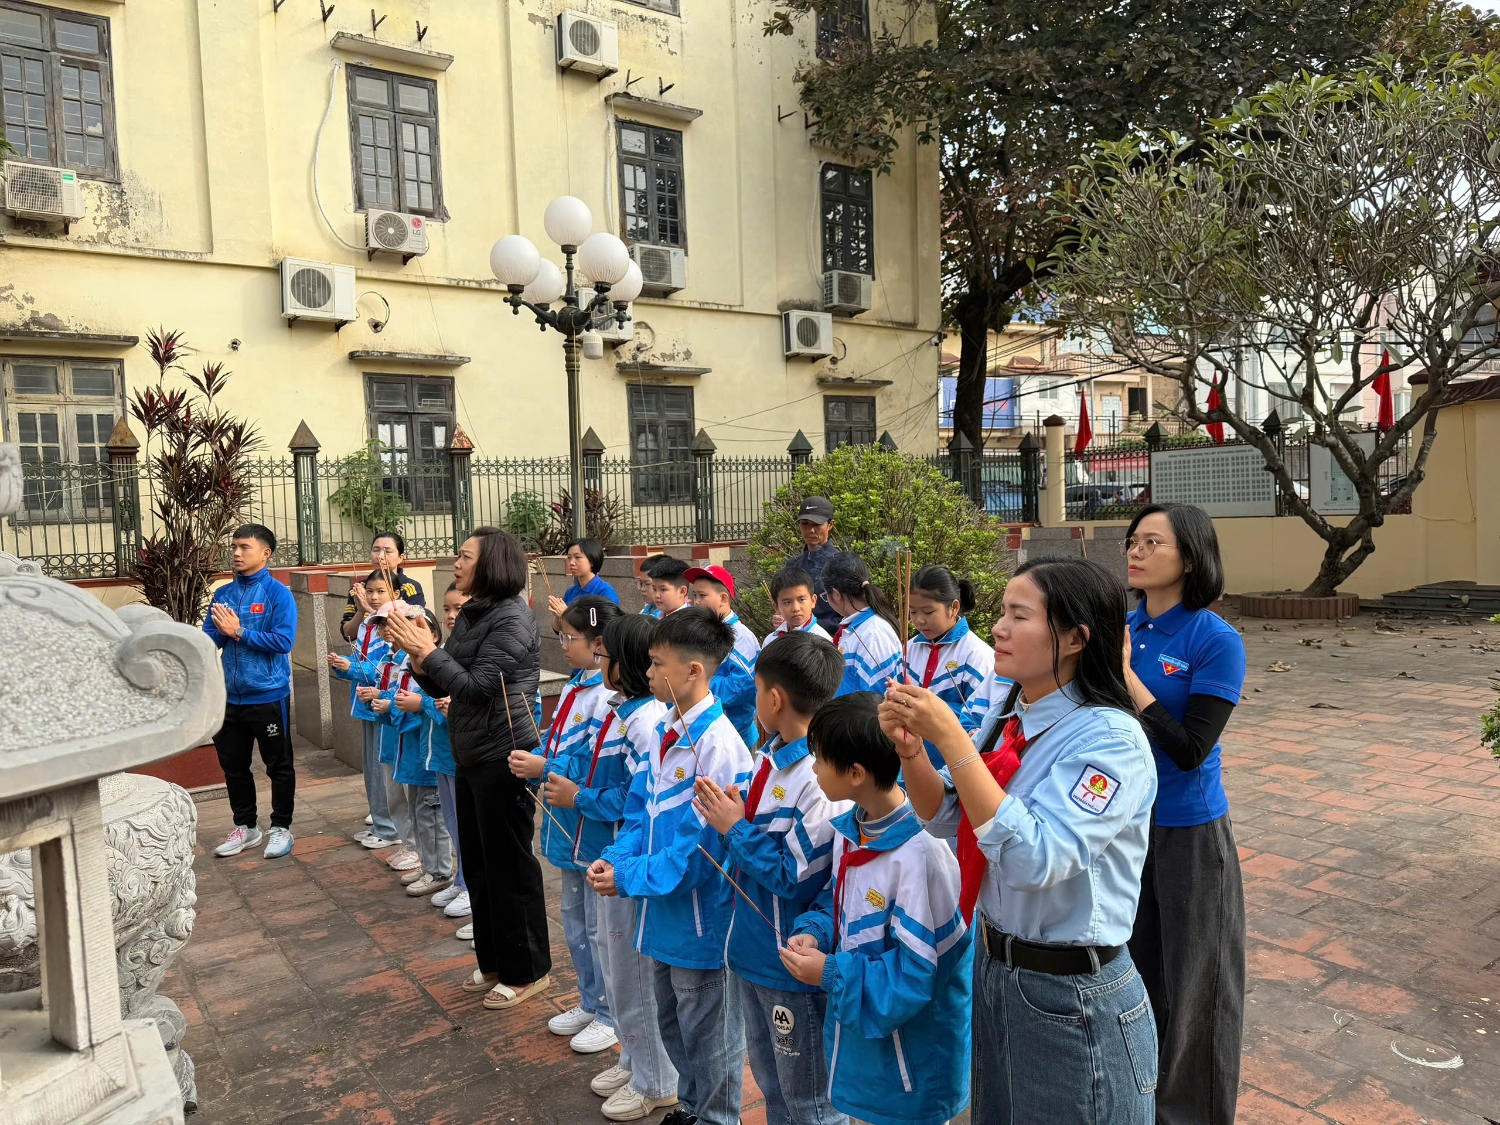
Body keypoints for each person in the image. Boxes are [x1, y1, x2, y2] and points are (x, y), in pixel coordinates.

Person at [885, 558, 1159, 1125]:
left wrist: (953, 739)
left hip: (1072, 993)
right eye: (1002, 613)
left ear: (1075, 638)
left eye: (1019, 615)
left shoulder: (1111, 739)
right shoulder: (1013, 715)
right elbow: (949, 816)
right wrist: (913, 754)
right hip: (998, 971)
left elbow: (1037, 859)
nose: (999, 629)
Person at [589, 608, 754, 1125]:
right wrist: (615, 858)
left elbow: (697, 852)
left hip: (700, 925)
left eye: (657, 663)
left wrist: (628, 877)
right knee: (674, 1024)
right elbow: (640, 811)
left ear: (693, 671)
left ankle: (716, 1117)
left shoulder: (717, 747)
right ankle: (690, 1108)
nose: (649, 672)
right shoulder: (667, 727)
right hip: (662, 915)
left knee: (709, 1037)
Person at [780, 693, 973, 1125]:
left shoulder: (921, 855)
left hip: (911, 1068)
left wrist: (831, 972)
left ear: (855, 774)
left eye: (819, 759)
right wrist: (816, 931)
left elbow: (918, 972)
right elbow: (840, 902)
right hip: (872, 1058)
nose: (813, 769)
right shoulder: (855, 829)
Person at [385, 527, 552, 1011]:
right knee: (478, 865)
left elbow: (477, 687)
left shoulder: (512, 618)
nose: (455, 563)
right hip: (471, 751)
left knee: (509, 865)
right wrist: (419, 657)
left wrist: (428, 652)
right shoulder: (476, 612)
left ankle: (527, 971)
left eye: (464, 556)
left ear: (492, 564)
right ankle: (495, 961)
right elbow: (447, 678)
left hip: (504, 753)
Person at [1120, 504, 1246, 1125]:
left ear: (1191, 558)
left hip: (1189, 832)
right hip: (1124, 826)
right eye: (1133, 540)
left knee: (1200, 990)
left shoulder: (1213, 640)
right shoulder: (1124, 626)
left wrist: (1125, 677)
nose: (1136, 551)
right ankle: (1142, 1103)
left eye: (1153, 542)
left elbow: (1191, 748)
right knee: (1139, 976)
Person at [693, 632, 850, 1125]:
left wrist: (734, 828)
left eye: (757, 688)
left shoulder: (819, 776)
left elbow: (796, 877)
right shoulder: (770, 756)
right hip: (753, 952)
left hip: (790, 965)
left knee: (810, 1101)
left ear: (774, 699)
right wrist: (734, 817)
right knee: (773, 1086)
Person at [511, 594, 623, 1055]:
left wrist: (547, 767)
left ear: (599, 644)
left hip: (593, 830)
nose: (563, 646)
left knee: (601, 931)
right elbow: (561, 744)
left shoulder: (610, 700)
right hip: (567, 825)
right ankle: (590, 999)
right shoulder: (577, 687)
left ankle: (611, 1013)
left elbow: (596, 767)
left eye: (569, 637)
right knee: (575, 924)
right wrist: (539, 761)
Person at [589, 614, 681, 1121]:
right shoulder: (631, 713)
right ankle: (634, 1058)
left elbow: (640, 804)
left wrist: (580, 797)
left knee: (637, 976)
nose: (649, 672)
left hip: (637, 865)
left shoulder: (648, 721)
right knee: (617, 968)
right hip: (622, 855)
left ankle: (655, 1079)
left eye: (603, 655)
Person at [204, 524, 299, 860]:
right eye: (234, 546)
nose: (236, 553)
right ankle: (246, 827)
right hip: (230, 698)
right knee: (234, 766)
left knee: (278, 765)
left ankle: (281, 827)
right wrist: (220, 632)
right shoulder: (223, 594)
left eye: (245, 547)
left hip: (268, 696)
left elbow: (283, 641)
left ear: (265, 553)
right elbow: (209, 640)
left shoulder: (278, 595)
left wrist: (239, 631)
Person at [374, 602, 455, 899]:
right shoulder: (406, 668)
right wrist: (386, 704)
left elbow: (438, 709)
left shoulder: (439, 668)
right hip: (412, 757)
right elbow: (403, 704)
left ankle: (440, 871)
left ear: (432, 634)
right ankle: (427, 865)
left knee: (433, 818)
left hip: (429, 759)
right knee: (419, 814)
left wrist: (407, 706)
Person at [329, 570, 401, 851]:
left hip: (383, 706)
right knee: (371, 770)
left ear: (396, 594)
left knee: (383, 770)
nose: (374, 597)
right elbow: (362, 660)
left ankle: (390, 828)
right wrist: (344, 664)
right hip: (365, 704)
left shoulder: (394, 625)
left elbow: (388, 671)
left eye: (381, 591)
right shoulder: (367, 625)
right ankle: (380, 824)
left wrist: (353, 668)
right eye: (370, 591)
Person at [903, 565, 994, 766]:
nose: (919, 620)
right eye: (913, 611)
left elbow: (983, 720)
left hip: (954, 766)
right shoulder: (909, 649)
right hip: (911, 760)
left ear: (954, 607)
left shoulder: (976, 656)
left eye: (928, 611)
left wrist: (927, 711)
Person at [421, 583, 471, 923]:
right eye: (447, 610)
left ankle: (472, 885)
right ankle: (462, 879)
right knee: (453, 823)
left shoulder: (477, 650)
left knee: (468, 826)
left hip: (465, 753)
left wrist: (433, 705)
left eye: (459, 609)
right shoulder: (447, 650)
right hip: (443, 752)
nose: (452, 616)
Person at [686, 564, 760, 747]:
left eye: (702, 596)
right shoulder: (703, 631)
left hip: (735, 736)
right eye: (694, 596)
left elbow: (742, 686)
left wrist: (696, 684)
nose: (697, 602)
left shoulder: (741, 637)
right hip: (705, 732)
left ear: (723, 598)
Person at [820, 552, 903, 696]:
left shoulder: (872, 635)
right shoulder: (857, 628)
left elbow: (875, 698)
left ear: (836, 594)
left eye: (826, 595)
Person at [341, 531, 426, 642]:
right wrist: (361, 612)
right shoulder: (359, 589)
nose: (380, 556)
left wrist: (370, 610)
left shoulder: (409, 588)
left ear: (400, 557)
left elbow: (414, 628)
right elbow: (348, 635)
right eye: (376, 550)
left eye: (387, 551)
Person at [786, 496, 841, 633]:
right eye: (805, 523)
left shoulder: (842, 565)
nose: (811, 530)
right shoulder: (793, 565)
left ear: (830, 525)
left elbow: (851, 615)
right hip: (798, 640)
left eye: (816, 524)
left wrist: (808, 625)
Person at [547, 538, 621, 629]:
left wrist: (566, 614)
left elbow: (606, 628)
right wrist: (557, 613)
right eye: (569, 557)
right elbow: (558, 629)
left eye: (577, 557)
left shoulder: (605, 592)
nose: (571, 563)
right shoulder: (571, 591)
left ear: (592, 560)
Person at [763, 568, 833, 644]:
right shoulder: (770, 641)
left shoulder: (823, 641)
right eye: (787, 602)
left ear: (813, 601)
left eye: (801, 600)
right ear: (776, 607)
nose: (796, 608)